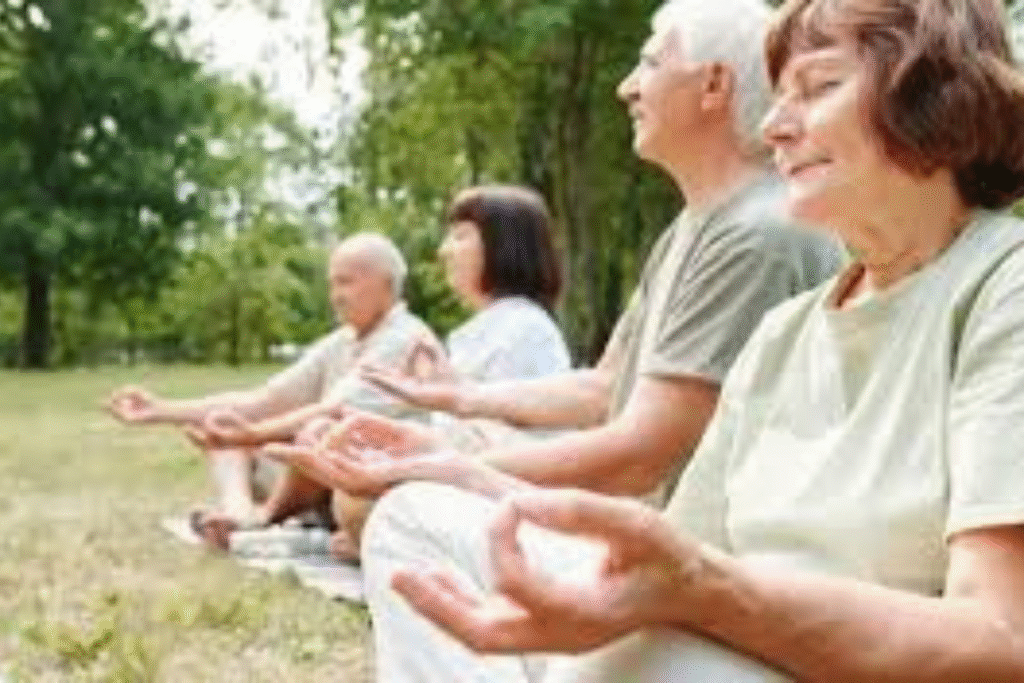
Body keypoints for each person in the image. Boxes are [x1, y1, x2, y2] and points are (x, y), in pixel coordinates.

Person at [363, 0, 1024, 680]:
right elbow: (679, 555)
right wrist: (461, 471)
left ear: (938, 97)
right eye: (779, 96)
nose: (773, 125)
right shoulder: (783, 330)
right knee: (417, 519)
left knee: (639, 652)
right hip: (726, 637)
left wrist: (703, 594)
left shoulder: (1005, 285)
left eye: (820, 86)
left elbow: (1001, 639)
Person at [106, 232, 443, 543]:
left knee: (319, 431)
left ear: (386, 284)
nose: (335, 297)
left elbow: (335, 412)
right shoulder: (343, 341)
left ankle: (264, 518)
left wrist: (249, 433)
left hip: (372, 490)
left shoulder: (405, 338)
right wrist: (160, 410)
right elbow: (265, 400)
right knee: (222, 422)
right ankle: (237, 514)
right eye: (332, 284)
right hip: (325, 483)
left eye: (346, 282)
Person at [327, 184, 573, 559]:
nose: (444, 251)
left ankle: (386, 543)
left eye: (460, 236)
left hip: (504, 495)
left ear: (503, 246)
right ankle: (380, 540)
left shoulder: (524, 330)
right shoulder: (488, 329)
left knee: (358, 498)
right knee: (352, 481)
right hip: (469, 479)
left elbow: (509, 447)